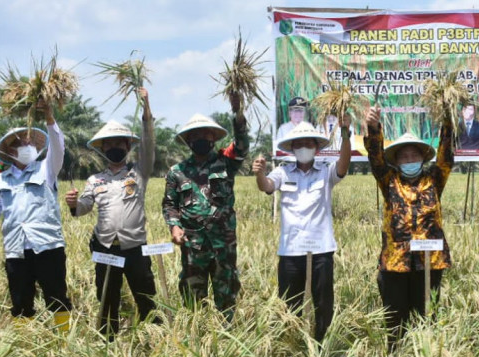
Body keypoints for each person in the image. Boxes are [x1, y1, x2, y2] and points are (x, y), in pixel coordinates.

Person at [66, 88, 157, 338]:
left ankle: (155, 339)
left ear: (127, 145)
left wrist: (146, 108)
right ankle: (108, 342)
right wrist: (73, 203)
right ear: (103, 149)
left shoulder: (139, 172)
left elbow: (149, 143)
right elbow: (84, 207)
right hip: (106, 248)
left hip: (135, 247)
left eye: (119, 143)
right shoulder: (96, 180)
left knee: (145, 296)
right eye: (110, 144)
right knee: (107, 297)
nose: (115, 147)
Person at [253, 116, 352, 341]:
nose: (304, 147)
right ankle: (292, 346)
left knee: (323, 302)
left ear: (316, 147)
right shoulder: (282, 172)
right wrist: (259, 173)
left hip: (321, 249)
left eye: (309, 143)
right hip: (291, 250)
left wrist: (345, 133)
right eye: (299, 144)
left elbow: (344, 165)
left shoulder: (326, 171)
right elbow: (266, 186)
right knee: (289, 303)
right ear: (292, 148)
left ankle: (321, 346)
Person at [365, 106, 453, 344]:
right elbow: (375, 157)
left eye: (414, 156)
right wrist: (373, 129)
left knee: (427, 317)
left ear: (423, 159)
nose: (409, 160)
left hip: (429, 262)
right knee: (395, 319)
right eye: (404, 157)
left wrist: (448, 119)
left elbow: (446, 157)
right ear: (397, 161)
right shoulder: (389, 181)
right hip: (396, 263)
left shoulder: (434, 179)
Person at [0, 105, 73, 332]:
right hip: (16, 249)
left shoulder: (46, 169)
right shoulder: (0, 181)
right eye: (19, 144)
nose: (25, 146)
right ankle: (25, 345)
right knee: (20, 301)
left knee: (57, 296)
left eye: (29, 142)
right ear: (10, 152)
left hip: (47, 245)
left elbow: (58, 146)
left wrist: (49, 116)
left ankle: (64, 344)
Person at [162, 93, 249, 321]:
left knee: (227, 293)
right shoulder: (176, 172)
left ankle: (227, 337)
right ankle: (196, 338)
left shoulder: (226, 162)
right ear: (188, 140)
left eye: (205, 134)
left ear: (213, 137)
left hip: (223, 244)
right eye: (196, 135)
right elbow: (170, 205)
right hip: (193, 245)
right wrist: (174, 227)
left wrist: (237, 113)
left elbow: (242, 145)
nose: (201, 138)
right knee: (192, 295)